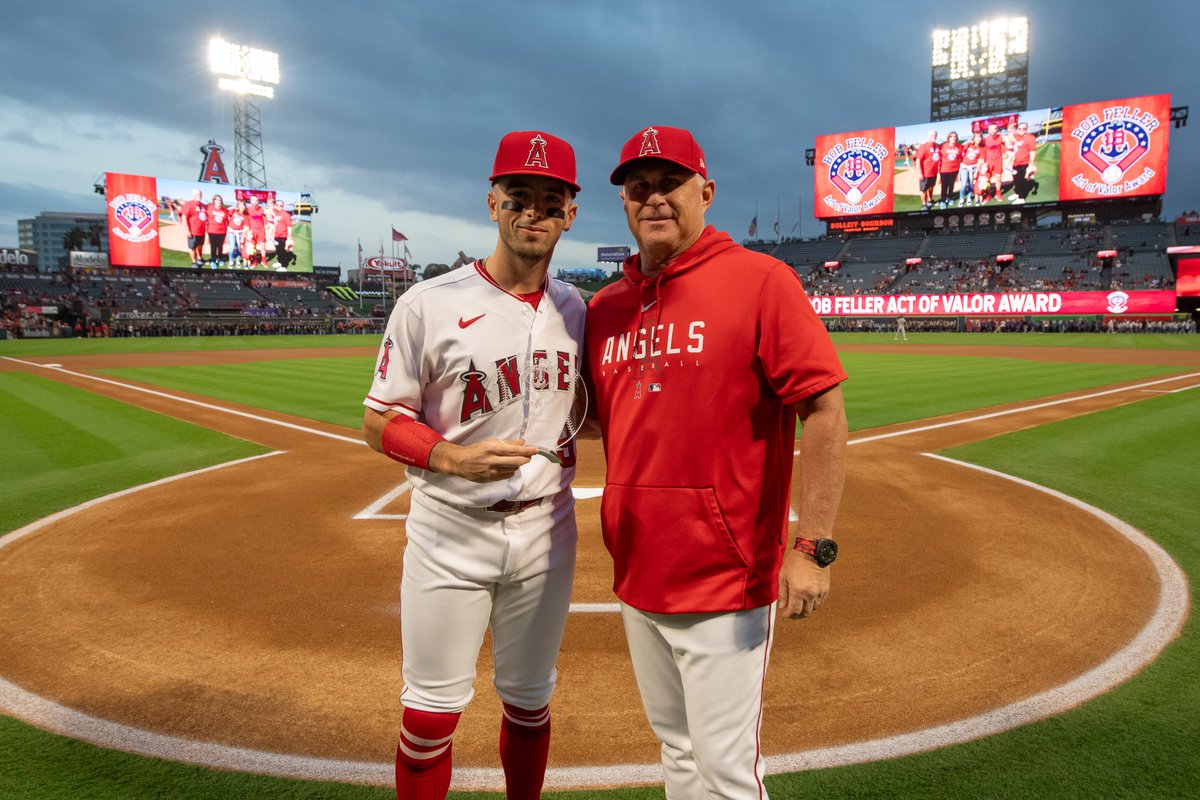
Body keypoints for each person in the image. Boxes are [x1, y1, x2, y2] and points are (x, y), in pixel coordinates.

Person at [586, 125, 848, 799]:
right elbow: (602, 418)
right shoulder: (607, 309)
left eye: (669, 183)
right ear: (624, 203)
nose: (654, 198)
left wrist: (813, 548)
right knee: (676, 752)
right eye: (638, 187)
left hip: (724, 579)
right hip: (637, 569)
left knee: (728, 775)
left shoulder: (762, 281)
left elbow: (824, 412)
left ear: (705, 192)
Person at [361, 129, 586, 800]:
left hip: (548, 532)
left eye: (550, 201)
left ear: (570, 214)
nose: (533, 214)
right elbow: (378, 421)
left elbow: (592, 412)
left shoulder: (576, 309)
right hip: (450, 530)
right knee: (429, 715)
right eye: (519, 197)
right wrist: (451, 458)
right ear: (493, 202)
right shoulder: (427, 303)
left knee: (530, 703)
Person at [1011, 121, 1038, 204]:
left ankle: (1021, 197)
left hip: (1024, 163)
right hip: (1014, 163)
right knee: (1015, 180)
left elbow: (1032, 151)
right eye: (1020, 128)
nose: (1021, 130)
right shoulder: (1014, 136)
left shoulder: (1030, 137)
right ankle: (1017, 193)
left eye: (1024, 128)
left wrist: (1031, 163)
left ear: (1026, 129)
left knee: (1021, 181)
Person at [179, 188, 207, 267]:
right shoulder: (188, 204)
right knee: (192, 247)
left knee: (200, 245)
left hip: (201, 231)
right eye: (197, 194)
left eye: (200, 194)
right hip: (193, 230)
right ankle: (194, 262)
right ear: (193, 195)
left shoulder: (203, 205)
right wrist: (187, 230)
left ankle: (199, 259)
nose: (199, 196)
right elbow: (184, 217)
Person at [914, 129, 940, 209]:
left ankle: (930, 200)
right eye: (932, 135)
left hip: (934, 172)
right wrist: (920, 173)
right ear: (929, 136)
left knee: (931, 187)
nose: (934, 136)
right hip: (925, 173)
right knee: (923, 189)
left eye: (935, 135)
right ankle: (924, 204)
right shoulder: (924, 146)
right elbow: (918, 160)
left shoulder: (937, 146)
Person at [937, 131, 962, 208]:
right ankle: (943, 200)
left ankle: (950, 197)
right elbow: (937, 155)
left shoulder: (959, 147)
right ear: (948, 138)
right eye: (951, 136)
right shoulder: (943, 146)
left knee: (951, 185)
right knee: (944, 186)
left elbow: (960, 157)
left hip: (954, 169)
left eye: (954, 136)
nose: (953, 138)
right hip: (944, 170)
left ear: (956, 138)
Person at [204, 194, 229, 268]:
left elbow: (227, 219)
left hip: (222, 231)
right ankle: (213, 260)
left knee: (220, 247)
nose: (218, 201)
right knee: (213, 247)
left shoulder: (224, 210)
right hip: (212, 231)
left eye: (219, 200)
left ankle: (219, 259)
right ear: (213, 200)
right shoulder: (209, 207)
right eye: (216, 199)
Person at [270, 199, 294, 271]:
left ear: (283, 206)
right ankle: (280, 262)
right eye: (277, 205)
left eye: (281, 205)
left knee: (283, 251)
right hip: (275, 236)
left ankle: (284, 266)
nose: (279, 206)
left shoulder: (286, 215)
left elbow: (289, 227)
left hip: (283, 236)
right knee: (278, 251)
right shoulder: (273, 212)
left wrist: (289, 238)